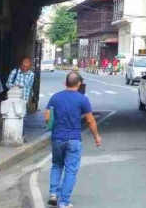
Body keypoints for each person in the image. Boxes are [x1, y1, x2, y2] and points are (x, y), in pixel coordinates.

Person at [45, 72, 101, 208]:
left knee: (57, 165)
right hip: (74, 139)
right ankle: (64, 202)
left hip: (57, 138)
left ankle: (53, 194)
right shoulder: (82, 99)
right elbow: (89, 120)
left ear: (65, 83)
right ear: (79, 84)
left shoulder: (55, 98)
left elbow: (47, 117)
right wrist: (96, 136)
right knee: (70, 170)